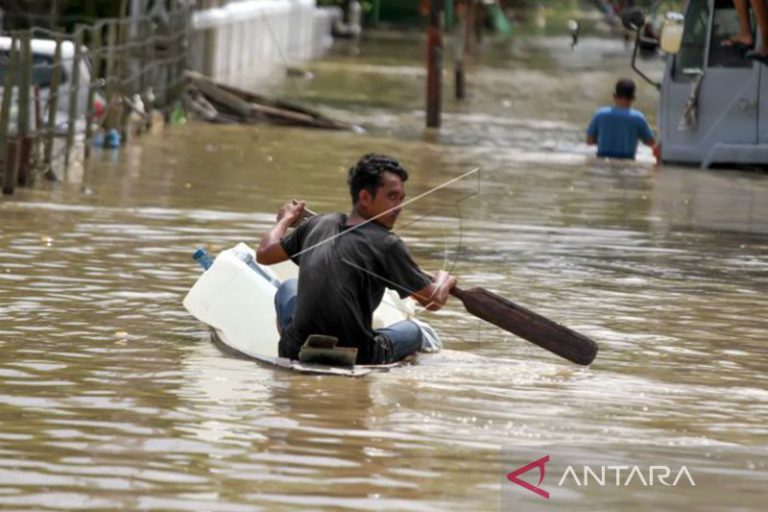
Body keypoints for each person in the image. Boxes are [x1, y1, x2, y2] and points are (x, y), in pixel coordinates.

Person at [256, 153, 457, 365]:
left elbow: (265, 252)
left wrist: (285, 219)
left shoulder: (318, 224)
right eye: (391, 197)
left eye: (401, 199)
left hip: (295, 349)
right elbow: (433, 301)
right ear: (364, 198)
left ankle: (299, 347)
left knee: (288, 287)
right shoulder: (387, 244)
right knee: (414, 330)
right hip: (361, 355)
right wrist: (445, 279)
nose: (398, 208)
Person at [586, 78, 656, 160]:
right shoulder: (638, 118)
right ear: (633, 98)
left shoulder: (600, 114)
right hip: (627, 160)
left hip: (602, 159)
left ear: (614, 96)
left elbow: (589, 141)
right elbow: (651, 143)